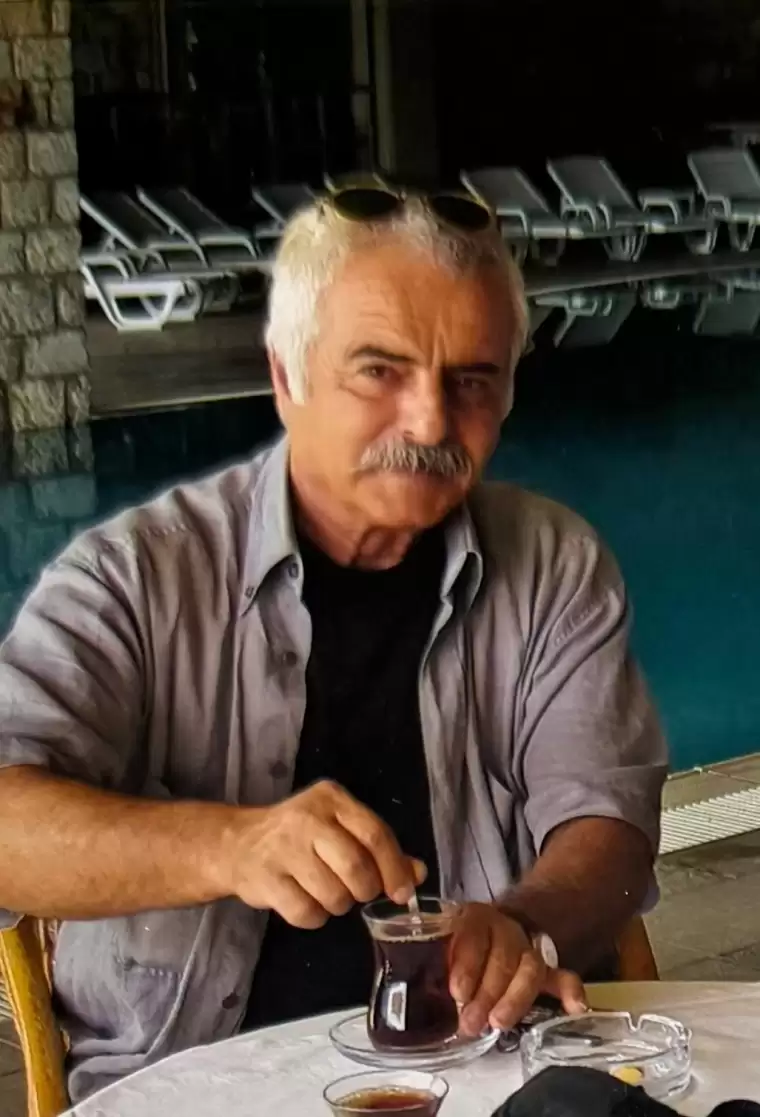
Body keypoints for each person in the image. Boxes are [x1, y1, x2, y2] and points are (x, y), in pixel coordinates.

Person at [0, 187, 667, 1102]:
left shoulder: (554, 565)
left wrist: (526, 926)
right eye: (379, 370)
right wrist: (230, 845)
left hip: (488, 1072)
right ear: (287, 376)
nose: (429, 422)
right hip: (201, 1087)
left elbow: (610, 822)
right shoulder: (136, 576)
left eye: (471, 380)